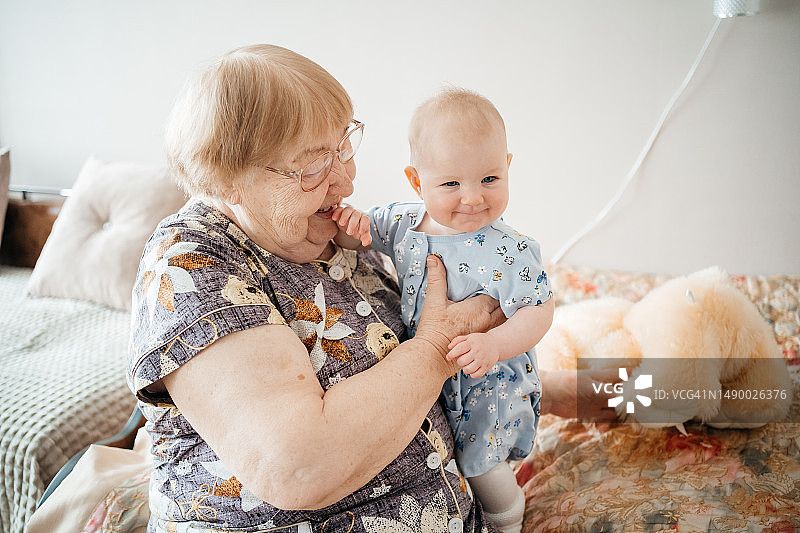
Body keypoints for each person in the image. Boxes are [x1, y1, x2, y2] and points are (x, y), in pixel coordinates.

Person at [128, 43, 511, 533]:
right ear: (229, 182)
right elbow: (296, 466)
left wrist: (615, 393)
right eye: (312, 167)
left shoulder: (332, 234)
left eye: (343, 147)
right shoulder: (191, 263)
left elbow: (456, 377)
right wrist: (437, 348)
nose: (346, 182)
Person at [332, 88, 554, 533]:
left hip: (484, 378)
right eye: (451, 184)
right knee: (445, 454)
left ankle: (507, 518)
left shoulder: (509, 249)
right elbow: (354, 239)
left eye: (489, 179)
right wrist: (351, 227)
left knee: (481, 465)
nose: (472, 198)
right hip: (429, 373)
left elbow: (539, 312)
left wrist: (494, 342)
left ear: (507, 167)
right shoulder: (402, 222)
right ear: (417, 182)